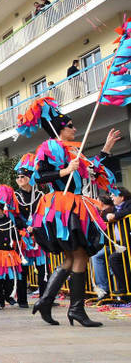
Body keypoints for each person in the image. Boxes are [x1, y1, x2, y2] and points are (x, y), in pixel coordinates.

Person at [28, 105, 121, 327]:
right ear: (60, 129)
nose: (75, 128)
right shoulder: (49, 147)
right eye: (70, 126)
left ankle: (46, 301)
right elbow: (39, 176)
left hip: (75, 205)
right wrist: (65, 171)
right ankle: (75, 309)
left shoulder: (72, 151)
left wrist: (106, 148)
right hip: (63, 204)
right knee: (79, 256)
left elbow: (91, 167)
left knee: (72, 257)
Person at [13, 153, 47, 308]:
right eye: (18, 177)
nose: (20, 179)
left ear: (29, 177)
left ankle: (46, 298)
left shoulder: (40, 194)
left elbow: (44, 212)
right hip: (23, 236)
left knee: (43, 268)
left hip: (38, 233)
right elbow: (13, 215)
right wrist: (24, 227)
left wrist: (36, 226)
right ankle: (22, 300)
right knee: (23, 269)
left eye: (23, 177)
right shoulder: (14, 196)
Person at [104, 187, 131, 296]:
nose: (111, 197)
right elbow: (105, 217)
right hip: (120, 243)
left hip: (128, 242)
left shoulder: (128, 204)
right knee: (116, 259)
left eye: (114, 195)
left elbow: (127, 212)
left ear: (122, 197)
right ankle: (124, 288)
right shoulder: (115, 208)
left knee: (115, 258)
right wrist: (108, 216)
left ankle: (124, 288)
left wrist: (115, 216)